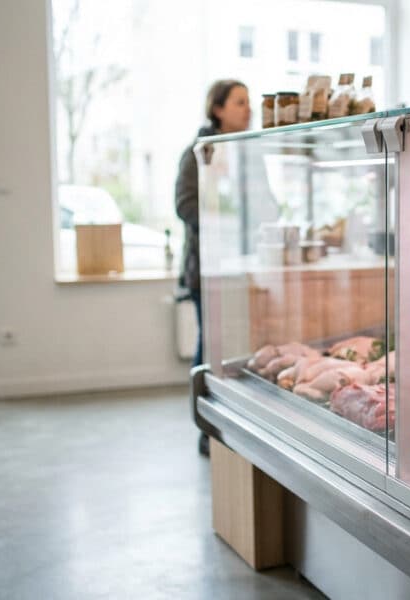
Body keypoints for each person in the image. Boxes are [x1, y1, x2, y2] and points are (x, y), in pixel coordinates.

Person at [175, 79, 250, 454]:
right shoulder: (198, 153)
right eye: (239, 102)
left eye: (248, 102)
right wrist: (226, 224)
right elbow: (184, 205)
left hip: (243, 267)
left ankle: (235, 423)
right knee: (211, 345)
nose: (248, 109)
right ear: (217, 109)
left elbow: (263, 201)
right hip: (206, 269)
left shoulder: (248, 152)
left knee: (237, 346)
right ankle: (207, 428)